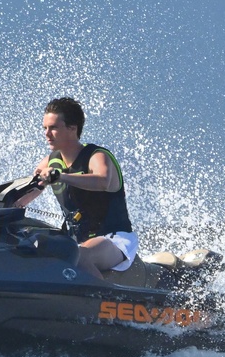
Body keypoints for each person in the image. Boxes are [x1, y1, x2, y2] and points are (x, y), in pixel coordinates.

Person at [18, 97, 138, 279]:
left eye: (53, 128)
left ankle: (102, 295)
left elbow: (102, 181)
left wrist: (60, 176)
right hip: (78, 241)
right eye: (45, 128)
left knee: (78, 255)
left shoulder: (97, 156)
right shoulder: (50, 162)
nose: (47, 134)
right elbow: (27, 195)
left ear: (72, 128)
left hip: (115, 238)